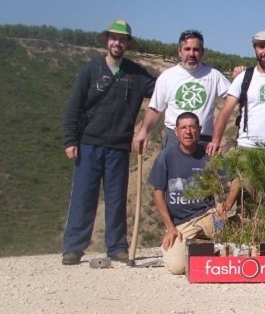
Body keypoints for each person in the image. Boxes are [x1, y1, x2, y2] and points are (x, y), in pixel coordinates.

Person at [61, 20, 156, 265]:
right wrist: (70, 140)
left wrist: (180, 74)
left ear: (127, 44)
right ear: (107, 41)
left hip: (118, 146)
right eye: (114, 38)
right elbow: (74, 107)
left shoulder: (137, 74)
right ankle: (73, 248)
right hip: (89, 143)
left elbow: (161, 89)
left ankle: (117, 247)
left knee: (116, 198)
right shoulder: (90, 70)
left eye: (122, 40)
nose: (117, 43)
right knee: (84, 196)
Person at [149, 112, 240, 275]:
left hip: (209, 218)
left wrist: (226, 205)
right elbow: (158, 194)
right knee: (178, 268)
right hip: (181, 224)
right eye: (183, 128)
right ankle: (197, 247)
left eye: (192, 127)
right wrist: (170, 228)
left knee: (236, 235)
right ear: (176, 132)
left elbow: (236, 181)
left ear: (199, 130)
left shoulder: (209, 153)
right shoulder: (166, 157)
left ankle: (205, 246)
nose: (188, 132)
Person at [133, 30, 230, 152]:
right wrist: (143, 131)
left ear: (202, 52)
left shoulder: (214, 76)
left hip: (204, 141)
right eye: (187, 49)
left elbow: (234, 98)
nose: (191, 53)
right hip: (174, 139)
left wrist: (239, 78)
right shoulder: (167, 76)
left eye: (196, 49)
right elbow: (155, 109)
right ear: (179, 51)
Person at [208, 31, 265, 154]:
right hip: (246, 147)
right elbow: (225, 112)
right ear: (254, 48)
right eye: (261, 47)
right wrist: (215, 141)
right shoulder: (244, 77)